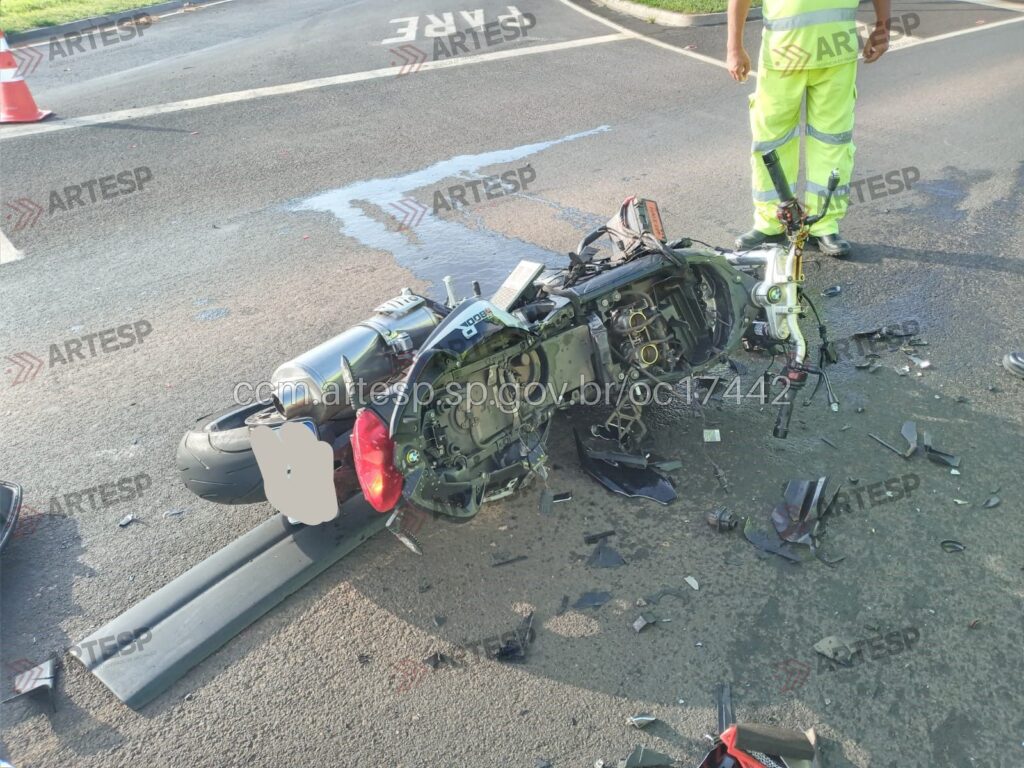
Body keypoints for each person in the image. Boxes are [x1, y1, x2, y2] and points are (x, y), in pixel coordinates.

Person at [727, 0, 891, 257]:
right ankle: (770, 222)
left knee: (832, 142)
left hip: (835, 57)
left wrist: (882, 28)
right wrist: (734, 47)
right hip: (783, 57)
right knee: (771, 143)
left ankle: (824, 224)